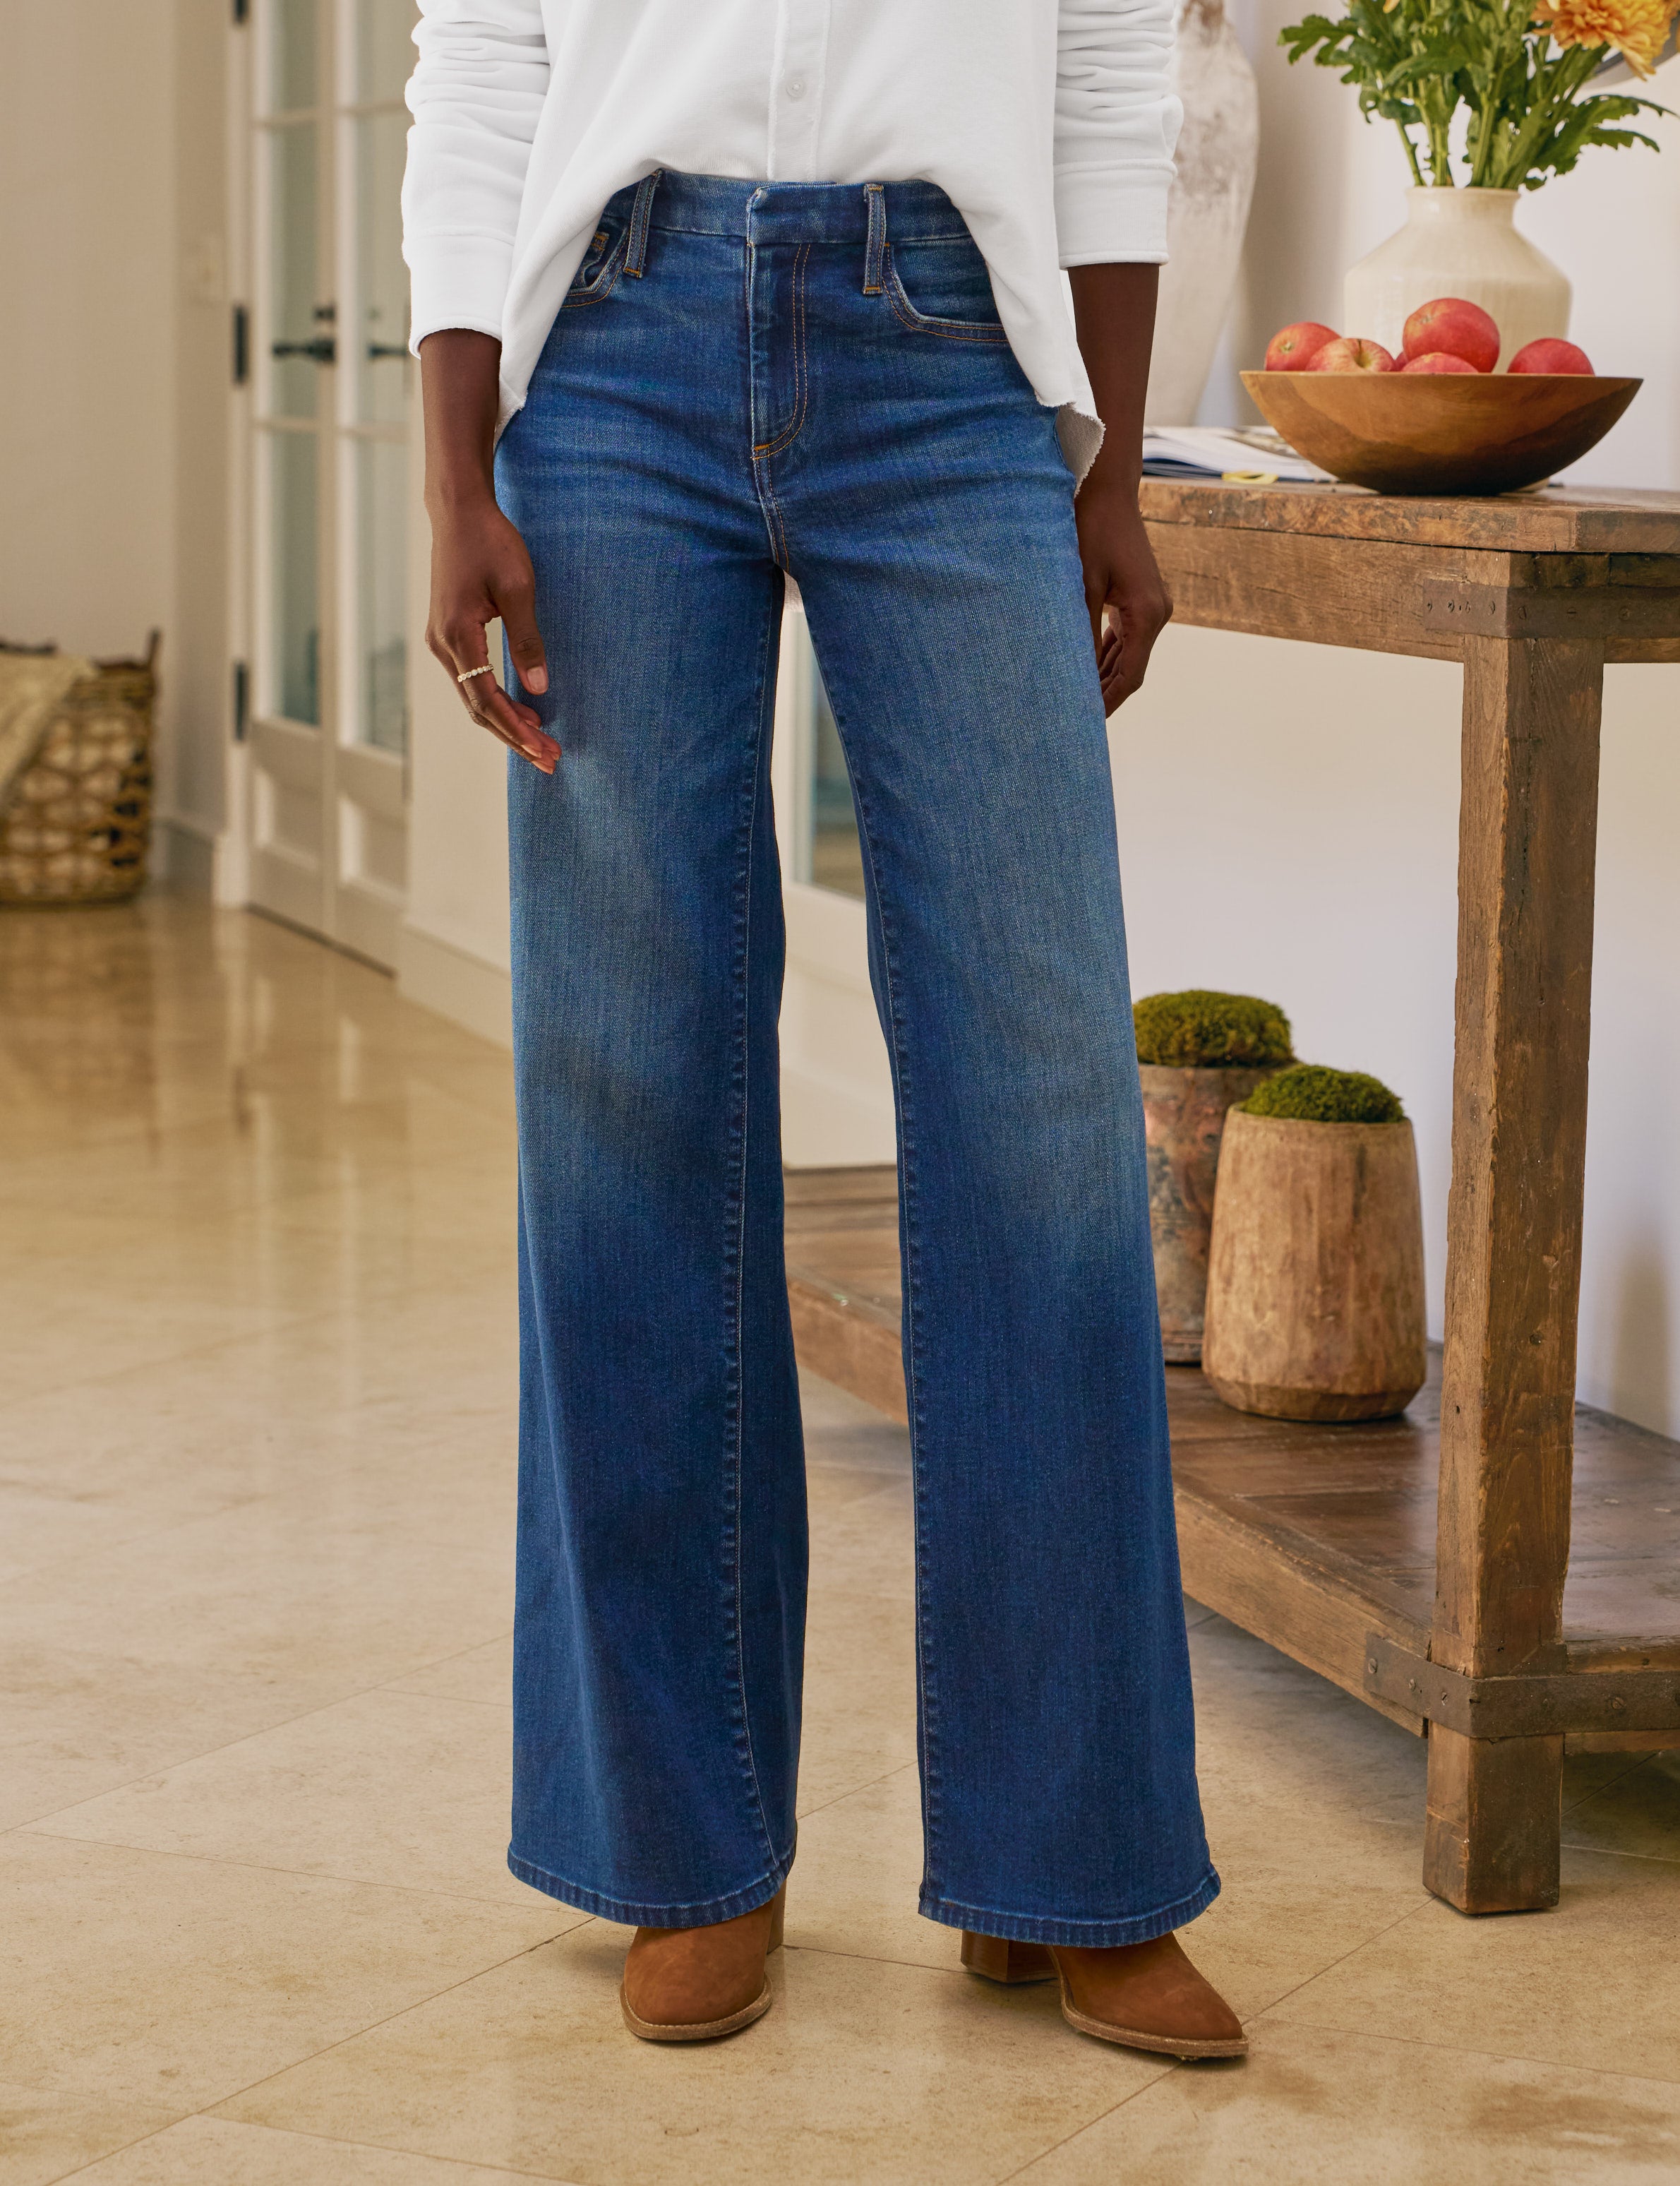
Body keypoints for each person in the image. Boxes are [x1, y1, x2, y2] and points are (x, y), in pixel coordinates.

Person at [403, 0, 1245, 2060]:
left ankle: (1075, 1864)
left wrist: (1109, 461)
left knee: (1042, 1121)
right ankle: (683, 1853)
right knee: (628, 1113)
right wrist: (452, 465)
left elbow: (1111, 69)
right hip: (605, 362)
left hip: (952, 361)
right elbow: (482, 63)